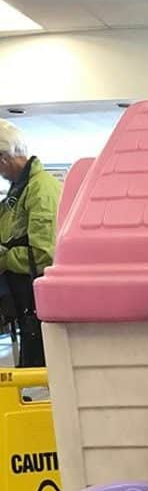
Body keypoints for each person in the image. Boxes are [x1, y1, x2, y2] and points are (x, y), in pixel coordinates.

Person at [0, 120, 61, 368]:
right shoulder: (20, 189)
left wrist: (4, 259)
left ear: (3, 158)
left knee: (40, 367)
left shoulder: (40, 189)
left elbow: (44, 254)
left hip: (35, 296)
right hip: (24, 298)